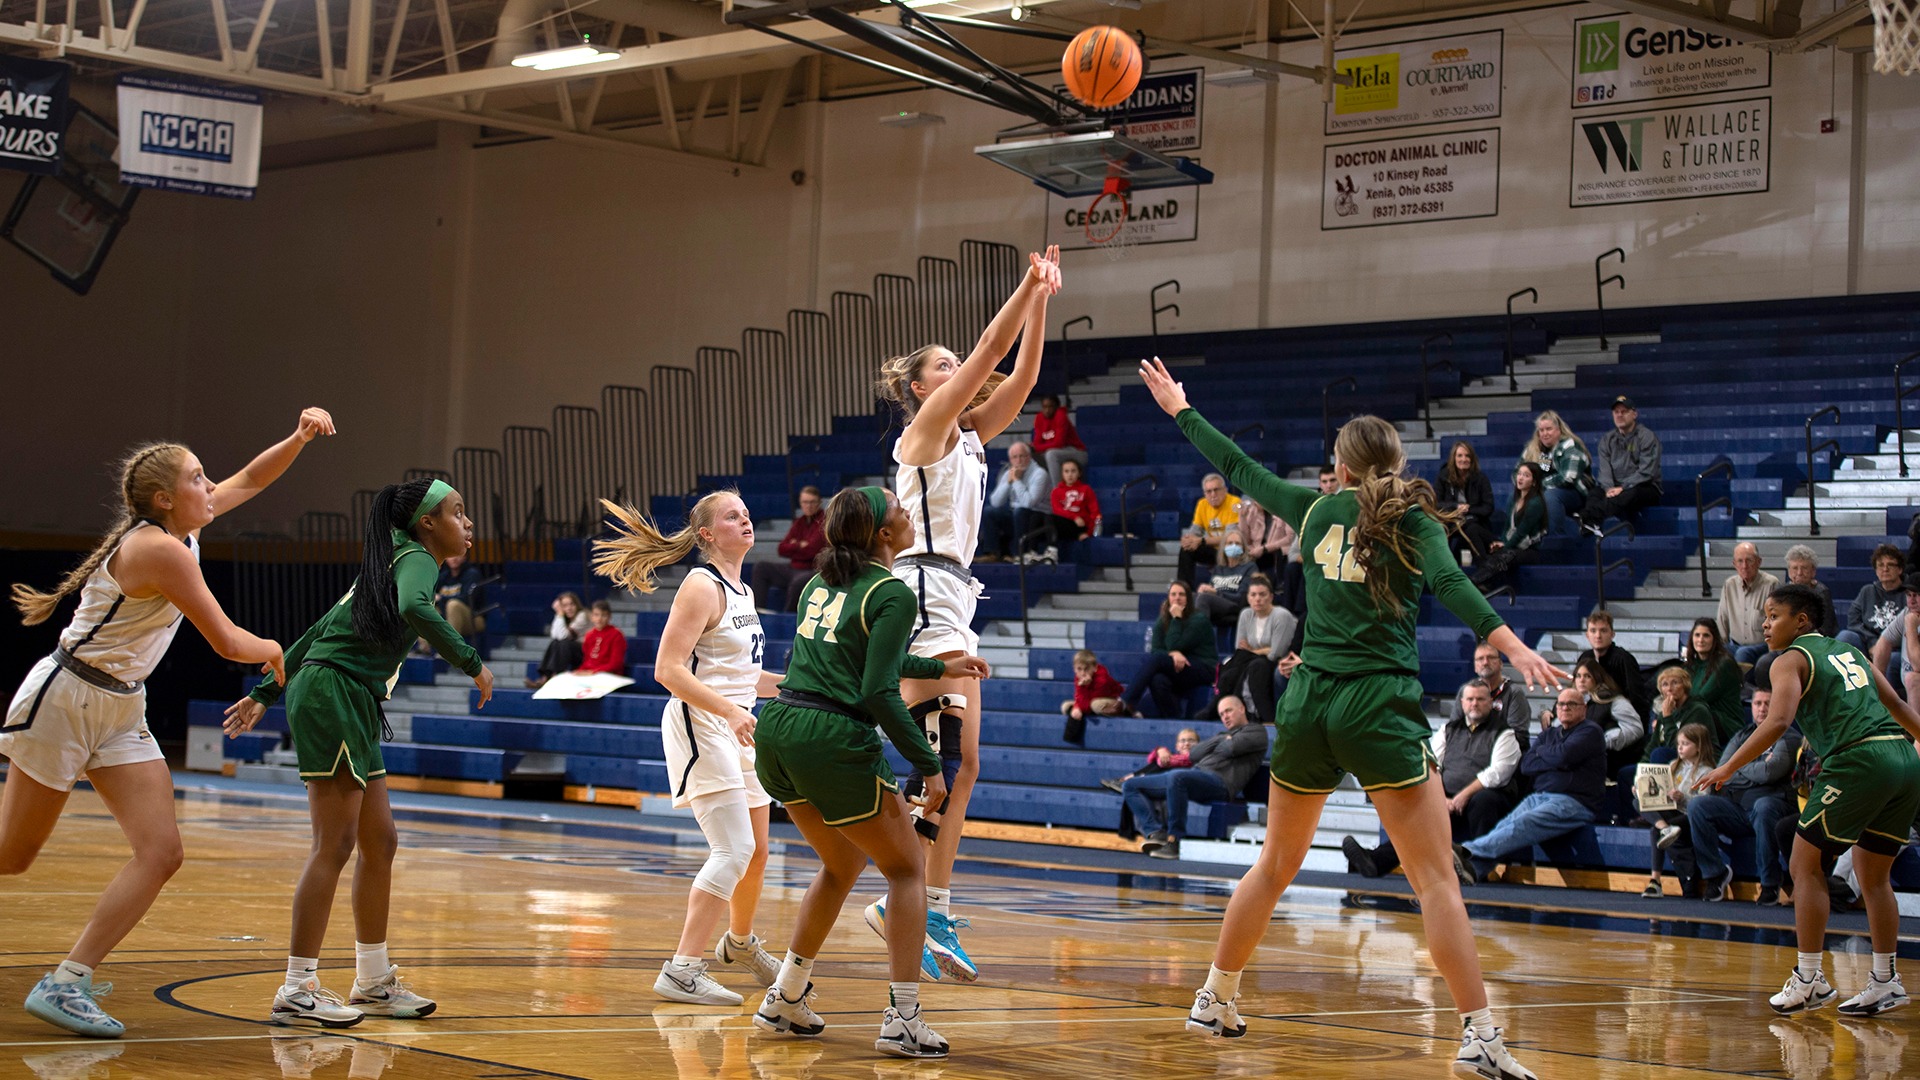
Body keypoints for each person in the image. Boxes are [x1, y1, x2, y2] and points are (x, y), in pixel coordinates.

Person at [1140, 357, 1561, 1078]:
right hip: (1376, 702)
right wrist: (1511, 642)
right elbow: (1455, 585)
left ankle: (1215, 994)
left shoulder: (1312, 509)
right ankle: (1481, 1036)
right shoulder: (1410, 518)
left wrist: (1181, 408)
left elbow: (1236, 465)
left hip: (1309, 701)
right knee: (1434, 881)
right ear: (1397, 463)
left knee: (1275, 864)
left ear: (1338, 465)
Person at [4, 409, 332, 1038]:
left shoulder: (183, 528)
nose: (211, 487)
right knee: (12, 858)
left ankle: (66, 982)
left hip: (122, 705)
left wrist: (297, 439)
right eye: (198, 478)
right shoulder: (158, 549)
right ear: (164, 498)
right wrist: (275, 649)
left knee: (161, 852)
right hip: (67, 700)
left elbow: (250, 481)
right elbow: (230, 643)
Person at [224, 477, 496, 1030]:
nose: (467, 524)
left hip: (341, 692)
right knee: (336, 842)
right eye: (458, 513)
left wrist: (265, 692)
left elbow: (318, 630)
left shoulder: (387, 561)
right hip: (335, 692)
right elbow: (416, 607)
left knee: (380, 840)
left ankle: (372, 980)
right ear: (427, 523)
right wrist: (471, 662)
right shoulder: (416, 559)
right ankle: (297, 988)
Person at [869, 245, 1059, 986]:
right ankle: (904, 896)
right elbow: (992, 350)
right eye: (942, 368)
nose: (960, 372)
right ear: (919, 388)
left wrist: (1042, 299)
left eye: (955, 367)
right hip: (921, 594)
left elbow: (1026, 374)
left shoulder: (972, 439)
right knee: (935, 767)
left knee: (967, 762)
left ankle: (934, 899)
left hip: (954, 593)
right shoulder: (920, 436)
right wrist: (1023, 285)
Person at [750, 486, 990, 1059]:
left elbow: (864, 657)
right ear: (884, 535)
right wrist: (930, 766)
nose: (910, 513)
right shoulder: (892, 592)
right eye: (900, 510)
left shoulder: (819, 583)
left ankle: (785, 994)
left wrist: (938, 664)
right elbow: (879, 691)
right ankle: (903, 1019)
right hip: (831, 737)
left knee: (840, 863)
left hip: (779, 731)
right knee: (907, 873)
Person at [591, 492, 786, 1007]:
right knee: (733, 849)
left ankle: (740, 945)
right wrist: (729, 710)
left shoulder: (742, 590)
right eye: (731, 515)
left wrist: (798, 687)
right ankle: (682, 969)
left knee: (759, 852)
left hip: (736, 725)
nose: (744, 519)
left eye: (746, 513)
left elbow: (744, 678)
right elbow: (668, 670)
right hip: (701, 723)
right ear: (705, 534)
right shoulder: (702, 585)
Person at [1694, 584, 1920, 1017]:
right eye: (1764, 616)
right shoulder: (1851, 652)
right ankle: (1885, 980)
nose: (1765, 623)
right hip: (1902, 758)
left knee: (1803, 865)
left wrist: (1727, 767)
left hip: (1859, 759)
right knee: (1873, 877)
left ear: (1801, 621)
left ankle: (1810, 978)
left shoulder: (1789, 660)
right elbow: (1893, 701)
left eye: (1773, 615)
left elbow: (1778, 720)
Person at [1343, 679, 1521, 880]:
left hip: (1485, 797)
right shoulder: (1449, 729)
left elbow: (1498, 773)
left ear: (1490, 702)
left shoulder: (1504, 733)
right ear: (1462, 703)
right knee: (1422, 811)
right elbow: (1431, 764)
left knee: (1485, 801)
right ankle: (1375, 861)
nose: (1474, 704)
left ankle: (1474, 867)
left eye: (1480, 699)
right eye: (1470, 699)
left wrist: (1462, 796)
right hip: (1448, 797)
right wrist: (1440, 797)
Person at [1460, 689, 1608, 883]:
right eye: (1561, 704)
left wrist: (1546, 754)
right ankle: (1473, 872)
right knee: (1506, 824)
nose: (1565, 708)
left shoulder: (1590, 731)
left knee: (1524, 822)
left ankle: (1466, 852)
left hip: (1574, 802)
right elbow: (1527, 765)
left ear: (1584, 709)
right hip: (1539, 797)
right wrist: (1555, 757)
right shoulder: (1550, 734)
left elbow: (1563, 756)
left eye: (1571, 704)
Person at [1687, 685, 1800, 904]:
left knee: (1764, 806)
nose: (1762, 708)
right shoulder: (1742, 735)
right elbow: (1721, 771)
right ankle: (1715, 874)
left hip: (1774, 807)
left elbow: (1770, 772)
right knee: (1698, 806)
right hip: (1738, 809)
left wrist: (1737, 768)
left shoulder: (1789, 736)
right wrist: (1740, 770)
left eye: (1768, 703)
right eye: (1758, 703)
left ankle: (1769, 883)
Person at [1121, 695, 1269, 861]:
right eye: (1221, 714)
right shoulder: (1222, 734)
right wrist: (1222, 739)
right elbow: (1194, 754)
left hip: (1221, 783)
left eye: (1228, 711)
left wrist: (1220, 743)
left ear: (1242, 708)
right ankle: (1155, 832)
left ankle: (1175, 841)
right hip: (1198, 775)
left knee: (1177, 777)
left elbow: (1231, 749)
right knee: (1131, 785)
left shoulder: (1256, 731)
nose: (1225, 717)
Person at [1118, 581, 1217, 719]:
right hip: (1179, 668)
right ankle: (1173, 719)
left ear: (1189, 598)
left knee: (1158, 660)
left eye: (1182, 594)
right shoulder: (1163, 619)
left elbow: (1176, 644)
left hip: (1203, 667)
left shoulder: (1199, 619)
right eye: (1173, 594)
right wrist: (1173, 654)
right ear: (1168, 598)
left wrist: (1176, 618)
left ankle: (1126, 701)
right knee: (1157, 680)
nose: (1177, 598)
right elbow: (1156, 649)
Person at [1640, 722, 1715, 898]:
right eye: (1679, 744)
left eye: (1686, 744)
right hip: (1671, 811)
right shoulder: (1674, 765)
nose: (1680, 748)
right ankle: (1664, 828)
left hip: (1688, 815)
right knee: (1639, 801)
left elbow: (1704, 804)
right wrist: (1642, 789)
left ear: (1699, 747)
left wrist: (1683, 797)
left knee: (1655, 830)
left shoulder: (1707, 771)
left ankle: (1655, 881)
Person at [1577, 395, 1662, 535]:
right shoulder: (1607, 440)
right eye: (1616, 412)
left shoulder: (1647, 437)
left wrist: (1622, 487)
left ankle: (1589, 517)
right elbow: (1604, 471)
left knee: (1631, 493)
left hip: (1645, 487)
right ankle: (1590, 525)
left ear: (1634, 414)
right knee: (1594, 492)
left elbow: (1646, 472)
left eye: (1624, 411)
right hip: (1615, 487)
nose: (1619, 415)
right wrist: (1609, 488)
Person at [1215, 577, 1295, 724]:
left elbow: (1275, 653)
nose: (1257, 599)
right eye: (1253, 595)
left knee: (1251, 665)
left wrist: (1253, 650)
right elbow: (1240, 649)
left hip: (1280, 663)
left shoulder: (1281, 616)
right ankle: (1228, 710)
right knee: (1234, 666)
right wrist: (1262, 649)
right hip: (1250, 661)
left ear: (1271, 597)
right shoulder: (1246, 614)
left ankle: (1264, 717)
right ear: (1248, 597)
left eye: (1262, 594)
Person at [1468, 461, 1547, 594]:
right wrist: (1502, 542)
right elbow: (1506, 528)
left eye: (1526, 475)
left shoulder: (1536, 503)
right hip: (1511, 543)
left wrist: (1505, 546)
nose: (1521, 478)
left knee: (1507, 554)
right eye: (1519, 474)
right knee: (1473, 529)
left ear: (1534, 482)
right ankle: (1484, 573)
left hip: (1529, 550)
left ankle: (1475, 580)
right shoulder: (1513, 498)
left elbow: (1521, 533)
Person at [1518, 410, 1591, 538]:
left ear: (1558, 430)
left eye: (1549, 429)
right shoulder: (1539, 450)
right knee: (1519, 496)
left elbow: (1568, 477)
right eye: (1541, 430)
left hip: (1576, 493)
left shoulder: (1570, 446)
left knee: (1550, 496)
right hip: (1548, 489)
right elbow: (1518, 472)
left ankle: (1556, 539)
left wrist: (1537, 485)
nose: (1545, 433)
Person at [751, 486, 824, 613]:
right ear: (800, 503)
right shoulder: (799, 522)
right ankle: (757, 611)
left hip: (812, 569)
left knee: (798, 583)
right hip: (793, 567)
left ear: (819, 503)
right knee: (761, 567)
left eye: (812, 502)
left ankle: (787, 618)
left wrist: (794, 547)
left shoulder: (824, 521)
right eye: (805, 502)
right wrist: (799, 545)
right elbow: (781, 549)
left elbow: (812, 551)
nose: (809, 506)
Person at [1569, 658, 1645, 777]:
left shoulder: (1613, 700)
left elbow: (1635, 729)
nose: (1581, 680)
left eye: (1587, 676)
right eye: (1578, 676)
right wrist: (1546, 714)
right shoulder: (1568, 699)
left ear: (1597, 678)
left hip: (1606, 762)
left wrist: (1604, 741)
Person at [978, 440, 1050, 563]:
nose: (1019, 460)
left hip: (1038, 517)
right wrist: (1008, 482)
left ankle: (1018, 554)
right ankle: (992, 553)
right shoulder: (1009, 473)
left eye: (1022, 456)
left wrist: (1016, 480)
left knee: (1019, 511)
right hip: (1017, 515)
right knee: (989, 511)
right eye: (1014, 457)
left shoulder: (1040, 474)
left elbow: (1029, 503)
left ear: (1029, 457)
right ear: (1010, 460)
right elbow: (995, 502)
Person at [1577, 608, 1650, 721]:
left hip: (1618, 719)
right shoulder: (1585, 658)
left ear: (1612, 634)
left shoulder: (1624, 659)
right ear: (1587, 635)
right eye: (1593, 631)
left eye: (1603, 630)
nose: (1598, 636)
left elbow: (1637, 698)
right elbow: (1574, 689)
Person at [1683, 619, 1745, 745]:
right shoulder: (1690, 666)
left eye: (1706, 635)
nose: (1700, 640)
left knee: (1696, 712)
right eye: (1697, 635)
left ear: (1714, 639)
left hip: (1726, 725)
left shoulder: (1724, 664)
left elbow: (1702, 698)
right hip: (1699, 719)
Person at [1176, 473, 1244, 586]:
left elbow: (1230, 537)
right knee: (1186, 549)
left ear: (1225, 490)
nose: (1213, 494)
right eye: (1209, 491)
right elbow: (1195, 530)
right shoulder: (1202, 504)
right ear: (1204, 493)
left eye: (1216, 490)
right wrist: (1188, 539)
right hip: (1213, 550)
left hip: (1230, 551)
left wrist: (1201, 541)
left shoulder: (1235, 503)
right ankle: (1184, 589)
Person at [1463, 641, 1533, 748]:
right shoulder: (1466, 692)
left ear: (1501, 664)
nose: (1485, 662)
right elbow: (1455, 730)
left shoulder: (1514, 693)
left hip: (1504, 755)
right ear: (1475, 667)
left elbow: (1518, 737)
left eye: (1491, 658)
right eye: (1480, 659)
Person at [1718, 542, 1780, 664]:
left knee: (1743, 653)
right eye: (1740, 561)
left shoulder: (1771, 584)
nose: (1744, 566)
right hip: (1735, 644)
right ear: (1734, 564)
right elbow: (1722, 618)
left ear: (1759, 562)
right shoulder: (1729, 585)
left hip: (1763, 646)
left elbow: (1777, 621)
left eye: (1749, 561)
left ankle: (1740, 684)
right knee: (1716, 652)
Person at [1838, 544, 1907, 651]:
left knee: (1892, 659)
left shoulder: (1909, 594)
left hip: (1896, 648)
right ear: (1875, 570)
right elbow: (1853, 621)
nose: (1885, 569)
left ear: (1900, 570)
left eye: (1890, 565)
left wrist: (1883, 646)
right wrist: (1872, 642)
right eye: (1880, 565)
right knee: (1845, 637)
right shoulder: (1867, 591)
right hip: (1868, 645)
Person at [1437, 440, 1496, 565]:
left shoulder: (1481, 478)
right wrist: (1455, 507)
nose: (1464, 459)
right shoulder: (1443, 477)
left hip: (1474, 521)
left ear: (1472, 458)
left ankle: (1483, 571)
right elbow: (1436, 503)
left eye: (1467, 456)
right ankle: (1444, 569)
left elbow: (1488, 507)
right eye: (1460, 455)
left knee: (1472, 529)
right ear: (1453, 458)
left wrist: (1468, 509)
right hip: (1451, 521)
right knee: (1440, 529)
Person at [1869, 575, 1920, 703]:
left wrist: (1911, 628)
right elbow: (1884, 641)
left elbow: (1918, 665)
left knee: (1913, 679)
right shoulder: (1907, 613)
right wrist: (1880, 686)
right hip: (1909, 690)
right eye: (1909, 595)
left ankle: (1915, 723)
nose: (1912, 601)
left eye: (1917, 595)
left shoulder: (1910, 620)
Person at [1101, 728, 1199, 792]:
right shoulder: (1174, 757)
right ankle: (1128, 780)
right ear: (1177, 746)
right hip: (1163, 782)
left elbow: (1177, 761)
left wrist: (1161, 752)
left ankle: (1129, 780)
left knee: (1162, 763)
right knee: (1157, 763)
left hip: (1178, 785)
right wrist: (1159, 750)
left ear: (1199, 745)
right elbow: (1150, 758)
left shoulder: (1195, 758)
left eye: (1191, 741)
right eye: (1183, 741)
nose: (1186, 744)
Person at [1193, 532, 1260, 627]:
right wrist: (1203, 590)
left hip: (1235, 605)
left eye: (1237, 543)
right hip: (1216, 604)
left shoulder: (1250, 567)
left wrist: (1216, 593)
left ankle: (1202, 638)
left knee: (1203, 599)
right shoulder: (1219, 568)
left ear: (1243, 548)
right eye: (1230, 543)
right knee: (1190, 597)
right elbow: (1210, 590)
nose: (1233, 546)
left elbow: (1242, 598)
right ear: (1224, 547)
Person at [526, 592, 589, 690]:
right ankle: (546, 677)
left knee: (563, 642)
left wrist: (559, 614)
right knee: (555, 643)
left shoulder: (582, 615)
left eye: (572, 604)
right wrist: (559, 616)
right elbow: (555, 635)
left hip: (585, 654)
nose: (569, 608)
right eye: (565, 606)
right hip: (570, 653)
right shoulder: (563, 618)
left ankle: (554, 676)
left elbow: (563, 636)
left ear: (577, 604)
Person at [1060, 649, 1124, 744]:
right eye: (1079, 669)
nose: (1082, 673)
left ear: (1094, 667)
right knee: (1065, 706)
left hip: (1113, 700)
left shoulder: (1102, 679)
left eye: (1086, 669)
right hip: (1089, 701)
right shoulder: (1078, 678)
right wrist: (1077, 707)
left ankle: (1072, 736)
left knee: (1095, 705)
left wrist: (1078, 706)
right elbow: (1079, 698)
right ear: (1074, 668)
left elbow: (1087, 705)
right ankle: (1071, 737)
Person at [1044, 458, 1100, 564]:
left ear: (1079, 473)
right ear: (1062, 474)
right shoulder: (1056, 491)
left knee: (1050, 519)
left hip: (1080, 526)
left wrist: (1089, 533)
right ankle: (1029, 552)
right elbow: (1057, 510)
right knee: (1038, 517)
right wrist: (1074, 517)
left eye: (1073, 471)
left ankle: (1052, 551)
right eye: (1066, 471)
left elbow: (1095, 512)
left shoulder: (1086, 489)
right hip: (1065, 524)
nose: (1070, 475)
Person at [1029, 393, 1087, 482]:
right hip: (1055, 453)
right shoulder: (1039, 418)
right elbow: (1038, 442)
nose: (1047, 410)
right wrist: (1031, 448)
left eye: (1050, 407)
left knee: (1051, 454)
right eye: (1044, 407)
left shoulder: (1061, 416)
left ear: (1057, 407)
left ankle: (1057, 491)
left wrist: (1036, 447)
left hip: (1076, 452)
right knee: (1026, 453)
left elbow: (1059, 443)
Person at [1783, 544, 1838, 638]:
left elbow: (1826, 629)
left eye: (1804, 568)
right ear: (1789, 571)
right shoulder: (1781, 593)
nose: (1799, 573)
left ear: (1813, 571)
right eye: (1795, 568)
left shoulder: (1821, 593)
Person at [431, 552, 482, 640]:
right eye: (451, 556)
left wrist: (442, 598)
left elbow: (466, 599)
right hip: (447, 615)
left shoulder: (472, 574)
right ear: (446, 559)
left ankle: (450, 649)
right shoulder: (443, 576)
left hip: (474, 618)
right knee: (424, 606)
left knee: (453, 604)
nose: (454, 559)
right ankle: (424, 648)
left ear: (464, 557)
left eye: (458, 555)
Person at [574, 600, 628, 676]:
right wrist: (580, 671)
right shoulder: (589, 635)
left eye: (603, 615)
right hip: (591, 673)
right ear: (592, 617)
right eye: (596, 615)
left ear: (609, 617)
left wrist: (594, 672)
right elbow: (587, 661)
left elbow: (616, 664)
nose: (599, 619)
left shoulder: (617, 635)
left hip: (609, 674)